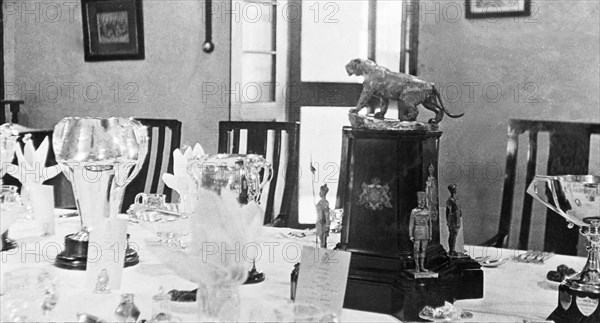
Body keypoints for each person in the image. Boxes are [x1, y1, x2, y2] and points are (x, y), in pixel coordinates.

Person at [409, 191, 432, 272]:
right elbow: (411, 224)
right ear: (418, 201)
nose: (422, 202)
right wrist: (411, 235)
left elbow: (430, 224)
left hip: (425, 231)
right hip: (417, 231)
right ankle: (417, 266)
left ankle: (422, 266)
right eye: (420, 200)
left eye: (423, 201)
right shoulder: (414, 211)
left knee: (424, 249)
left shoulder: (427, 211)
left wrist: (430, 235)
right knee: (416, 249)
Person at [446, 184, 462, 256]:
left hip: (457, 218)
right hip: (452, 219)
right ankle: (451, 250)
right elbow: (448, 211)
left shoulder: (456, 199)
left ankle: (453, 249)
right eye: (454, 189)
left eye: (455, 188)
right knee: (452, 234)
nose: (455, 190)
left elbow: (459, 208)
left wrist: (460, 212)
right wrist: (448, 221)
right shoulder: (450, 200)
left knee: (455, 235)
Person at [316, 184, 331, 248]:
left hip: (322, 222)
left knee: (323, 238)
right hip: (320, 222)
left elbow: (326, 214)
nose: (319, 193)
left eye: (321, 191)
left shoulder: (325, 202)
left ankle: (323, 249)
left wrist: (327, 225)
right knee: (321, 238)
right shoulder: (321, 202)